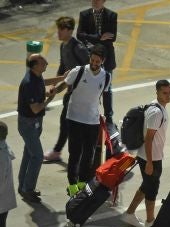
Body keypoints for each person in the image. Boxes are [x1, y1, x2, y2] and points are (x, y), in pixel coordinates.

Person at [53, 44, 111, 197]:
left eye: (97, 61)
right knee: (75, 153)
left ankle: (83, 183)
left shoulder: (106, 77)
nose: (94, 63)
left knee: (89, 155)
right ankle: (72, 185)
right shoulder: (78, 71)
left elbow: (104, 96)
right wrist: (53, 91)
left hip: (92, 121)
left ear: (102, 61)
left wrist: (107, 115)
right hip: (74, 118)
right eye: (92, 60)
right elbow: (64, 85)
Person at [121, 80, 170, 227]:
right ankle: (150, 222)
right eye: (164, 93)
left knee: (146, 186)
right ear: (157, 92)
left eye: (169, 92)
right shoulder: (156, 113)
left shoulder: (156, 106)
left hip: (150, 156)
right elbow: (148, 138)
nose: (168, 96)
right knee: (152, 190)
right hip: (151, 158)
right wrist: (150, 162)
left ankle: (129, 213)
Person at [43, 16, 90, 162]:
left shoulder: (78, 48)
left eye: (61, 29)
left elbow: (88, 70)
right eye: (58, 29)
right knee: (68, 122)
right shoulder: (64, 46)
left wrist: (63, 86)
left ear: (70, 30)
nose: (58, 32)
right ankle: (61, 151)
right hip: (71, 91)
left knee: (71, 122)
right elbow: (63, 67)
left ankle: (60, 151)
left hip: (81, 93)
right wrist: (54, 85)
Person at [17, 54, 62, 203]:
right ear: (35, 65)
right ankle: (28, 189)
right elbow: (35, 108)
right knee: (37, 156)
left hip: (35, 123)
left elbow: (44, 82)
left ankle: (22, 185)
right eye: (43, 62)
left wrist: (62, 78)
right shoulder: (28, 82)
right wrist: (50, 98)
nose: (46, 63)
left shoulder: (35, 76)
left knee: (29, 153)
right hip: (28, 124)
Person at [77, 0, 117, 123]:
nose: (94, 2)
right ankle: (91, 111)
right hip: (92, 57)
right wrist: (99, 37)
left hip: (107, 56)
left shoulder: (111, 15)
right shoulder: (84, 14)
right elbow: (79, 35)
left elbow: (112, 37)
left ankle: (108, 115)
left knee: (107, 88)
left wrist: (89, 37)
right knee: (91, 85)